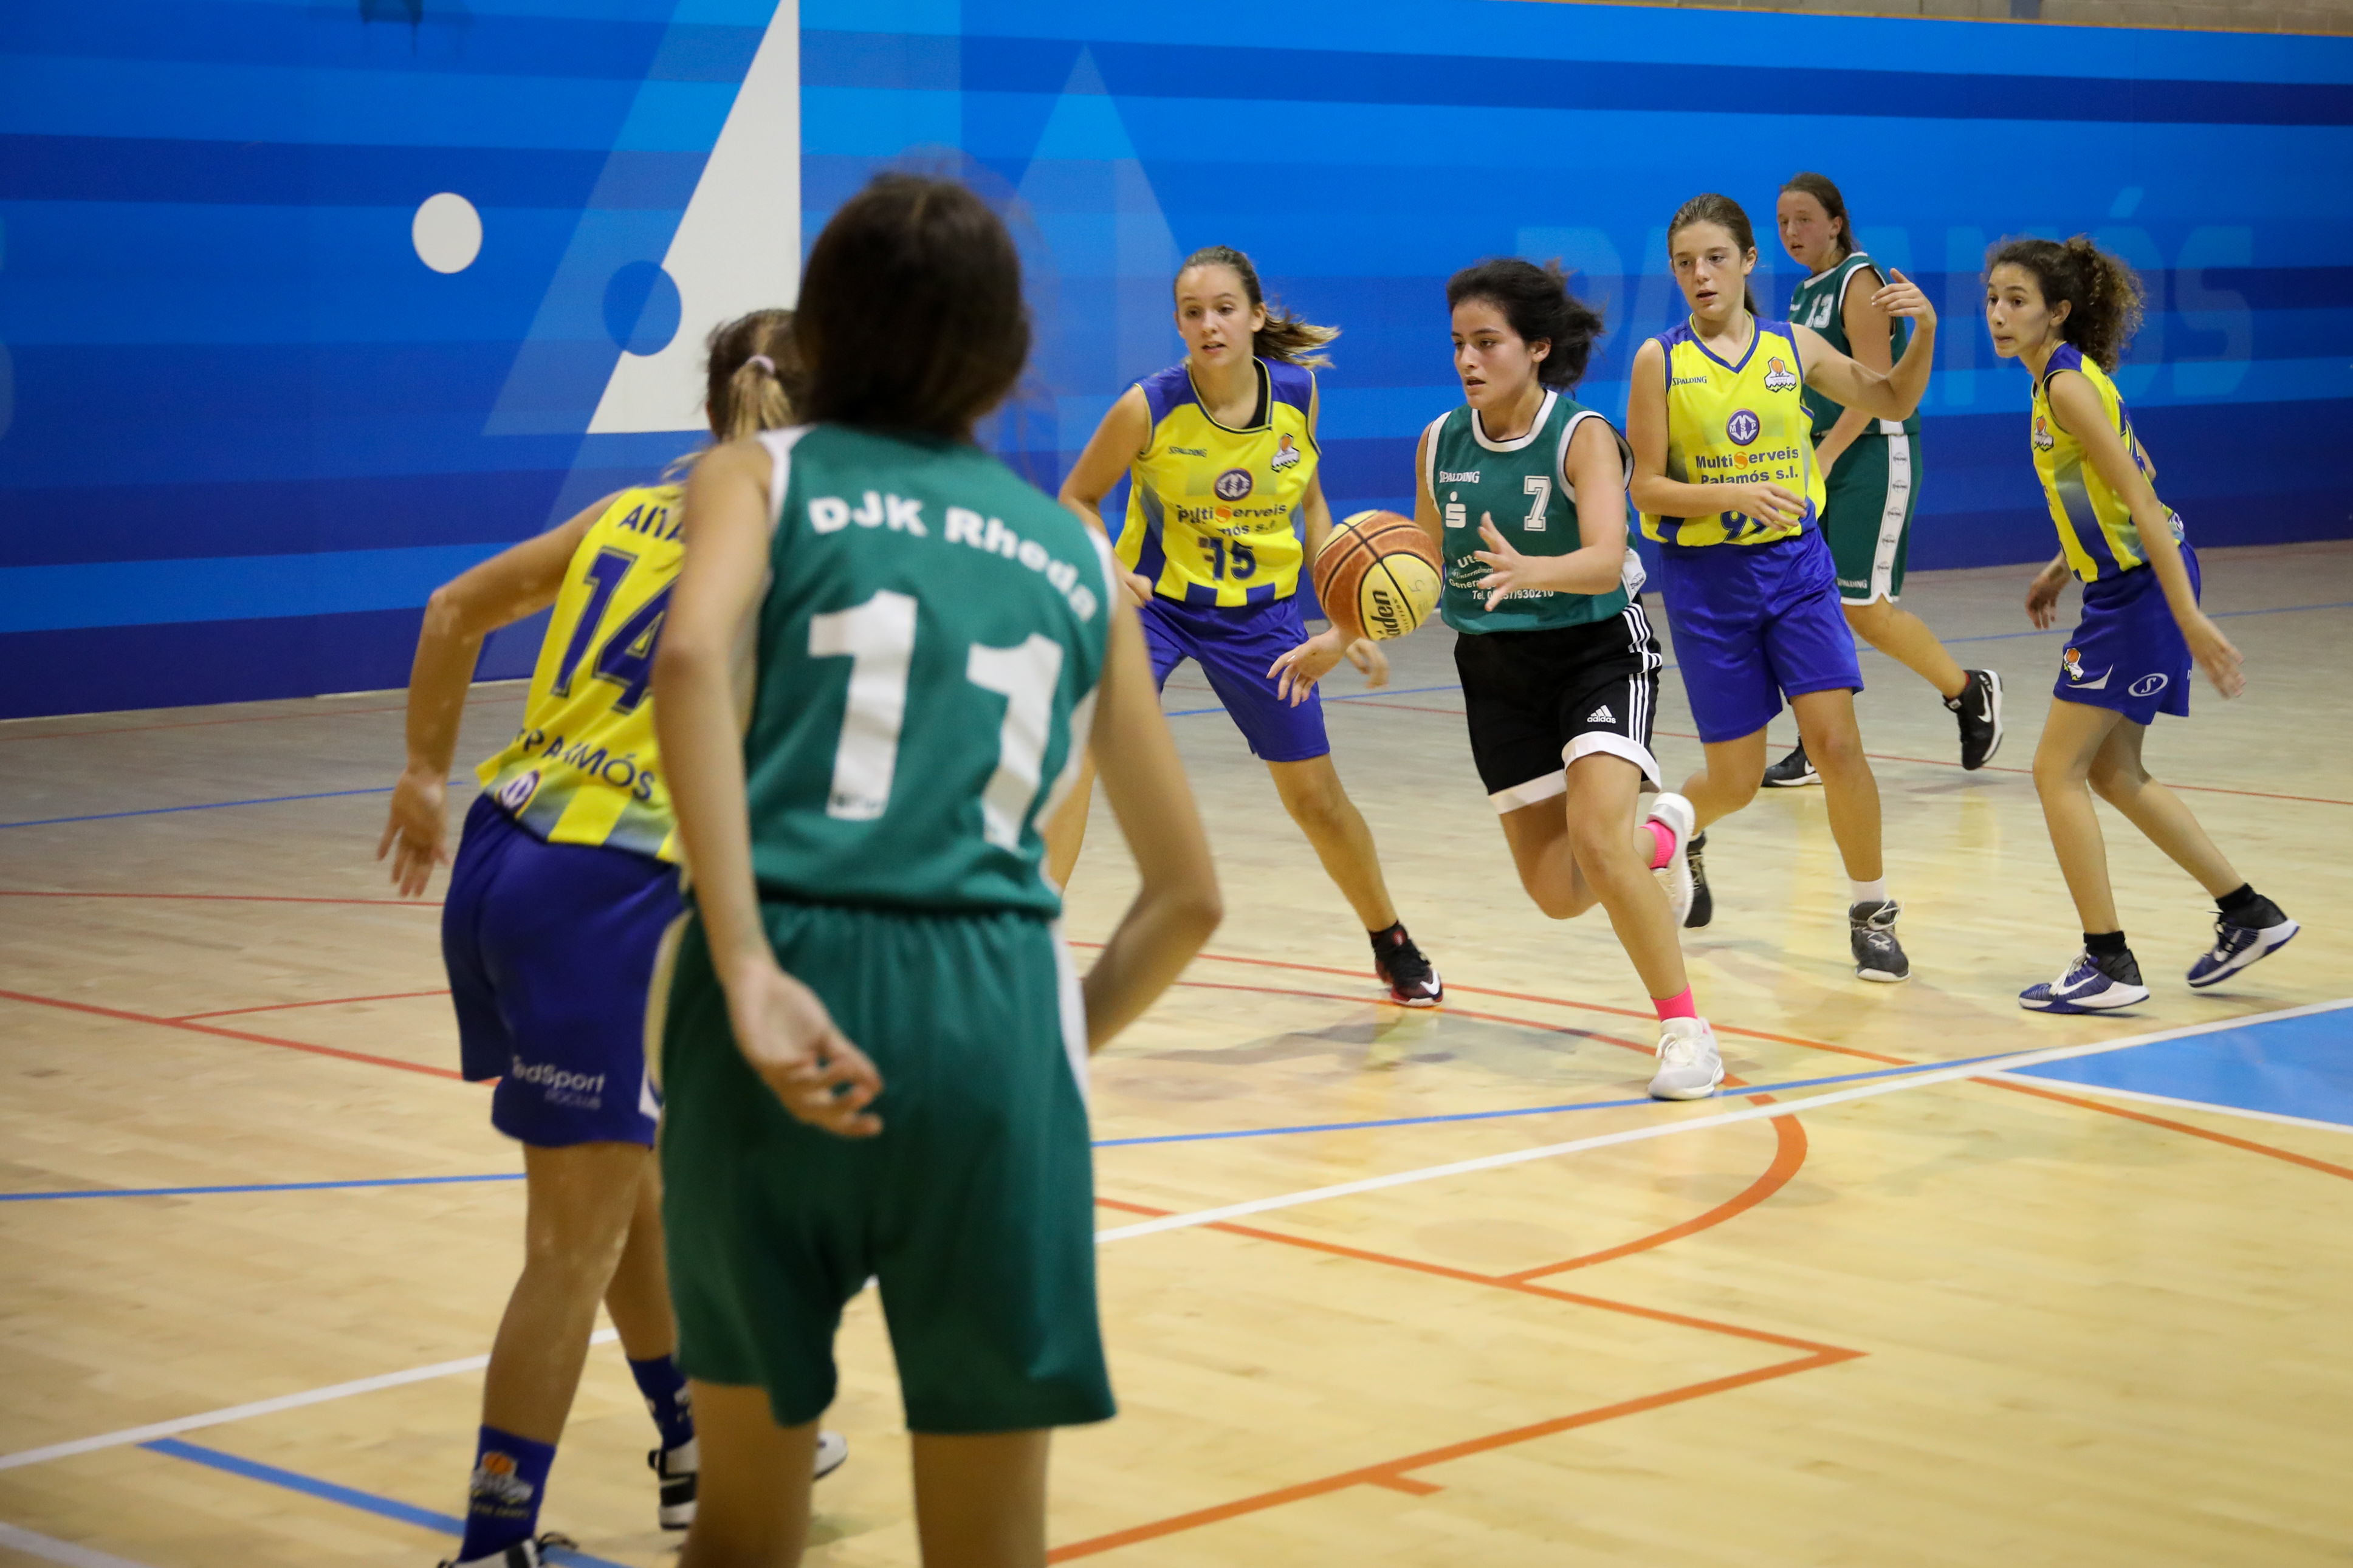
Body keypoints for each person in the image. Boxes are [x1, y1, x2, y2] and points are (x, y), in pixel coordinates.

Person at [648, 174, 1221, 1568]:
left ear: (816, 336)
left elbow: (689, 658)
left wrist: (742, 960)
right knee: (989, 1543)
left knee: (741, 1527)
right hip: (993, 1013)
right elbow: (1188, 897)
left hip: (777, 987)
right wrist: (1038, 1050)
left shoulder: (754, 475)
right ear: (1011, 357)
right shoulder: (1076, 550)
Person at [376, 312, 848, 1568]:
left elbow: (454, 607)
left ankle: (693, 1440)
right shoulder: (802, 544)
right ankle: (496, 1544)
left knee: (636, 1178)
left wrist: (423, 770)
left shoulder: (634, 509)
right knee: (570, 1245)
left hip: (504, 847)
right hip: (615, 891)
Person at [1046, 245, 1441, 1007]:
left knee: (1314, 799)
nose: (1209, 324)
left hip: (1260, 618)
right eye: (1192, 313)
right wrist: (1107, 566)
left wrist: (1342, 613)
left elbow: (1312, 501)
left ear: (1256, 316)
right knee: (1080, 756)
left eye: (1224, 309)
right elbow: (1076, 497)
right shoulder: (1148, 406)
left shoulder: (1295, 393)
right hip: (1156, 607)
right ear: (1178, 325)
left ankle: (1389, 938)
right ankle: (1029, 944)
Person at [1415, 258, 1721, 1099]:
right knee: (1557, 892)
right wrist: (1345, 630)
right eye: (1458, 343)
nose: (1468, 359)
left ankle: (1685, 1032)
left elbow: (1605, 557)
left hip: (1597, 651)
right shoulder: (1439, 442)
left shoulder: (1581, 435)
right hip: (1495, 670)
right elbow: (1420, 564)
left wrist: (1534, 570)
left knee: (1595, 838)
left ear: (1537, 348)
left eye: (1487, 342)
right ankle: (1665, 837)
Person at [1626, 193, 1936, 982]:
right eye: (1685, 263)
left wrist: (1926, 332)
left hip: (1795, 570)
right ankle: (1686, 827)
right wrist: (1731, 495)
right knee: (1736, 778)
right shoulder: (1661, 360)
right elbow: (1646, 488)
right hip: (1707, 586)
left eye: (1715, 258)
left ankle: (1871, 911)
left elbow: (1893, 399)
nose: (1701, 274)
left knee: (1836, 743)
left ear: (1748, 261)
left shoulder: (1791, 345)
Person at [1985, 236, 2298, 1010]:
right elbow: (2133, 478)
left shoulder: (2066, 388)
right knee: (2111, 772)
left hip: (2140, 593)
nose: (1997, 314)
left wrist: (2187, 615)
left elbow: (2139, 495)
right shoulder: (2061, 379)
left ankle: (2108, 962)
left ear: (2057, 311)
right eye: (1991, 299)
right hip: (2126, 587)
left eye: (2016, 301)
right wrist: (2061, 567)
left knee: (2053, 771)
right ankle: (2247, 913)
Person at [1762, 172, 2002, 789]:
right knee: (1806, 604)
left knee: (1862, 607)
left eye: (1804, 219)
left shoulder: (1858, 279)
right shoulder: (1804, 292)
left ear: (1836, 223)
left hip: (1871, 452)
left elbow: (1874, 387)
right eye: (1783, 221)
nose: (1791, 231)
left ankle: (1968, 691)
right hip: (1823, 455)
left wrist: (1823, 458)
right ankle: (1816, 741)